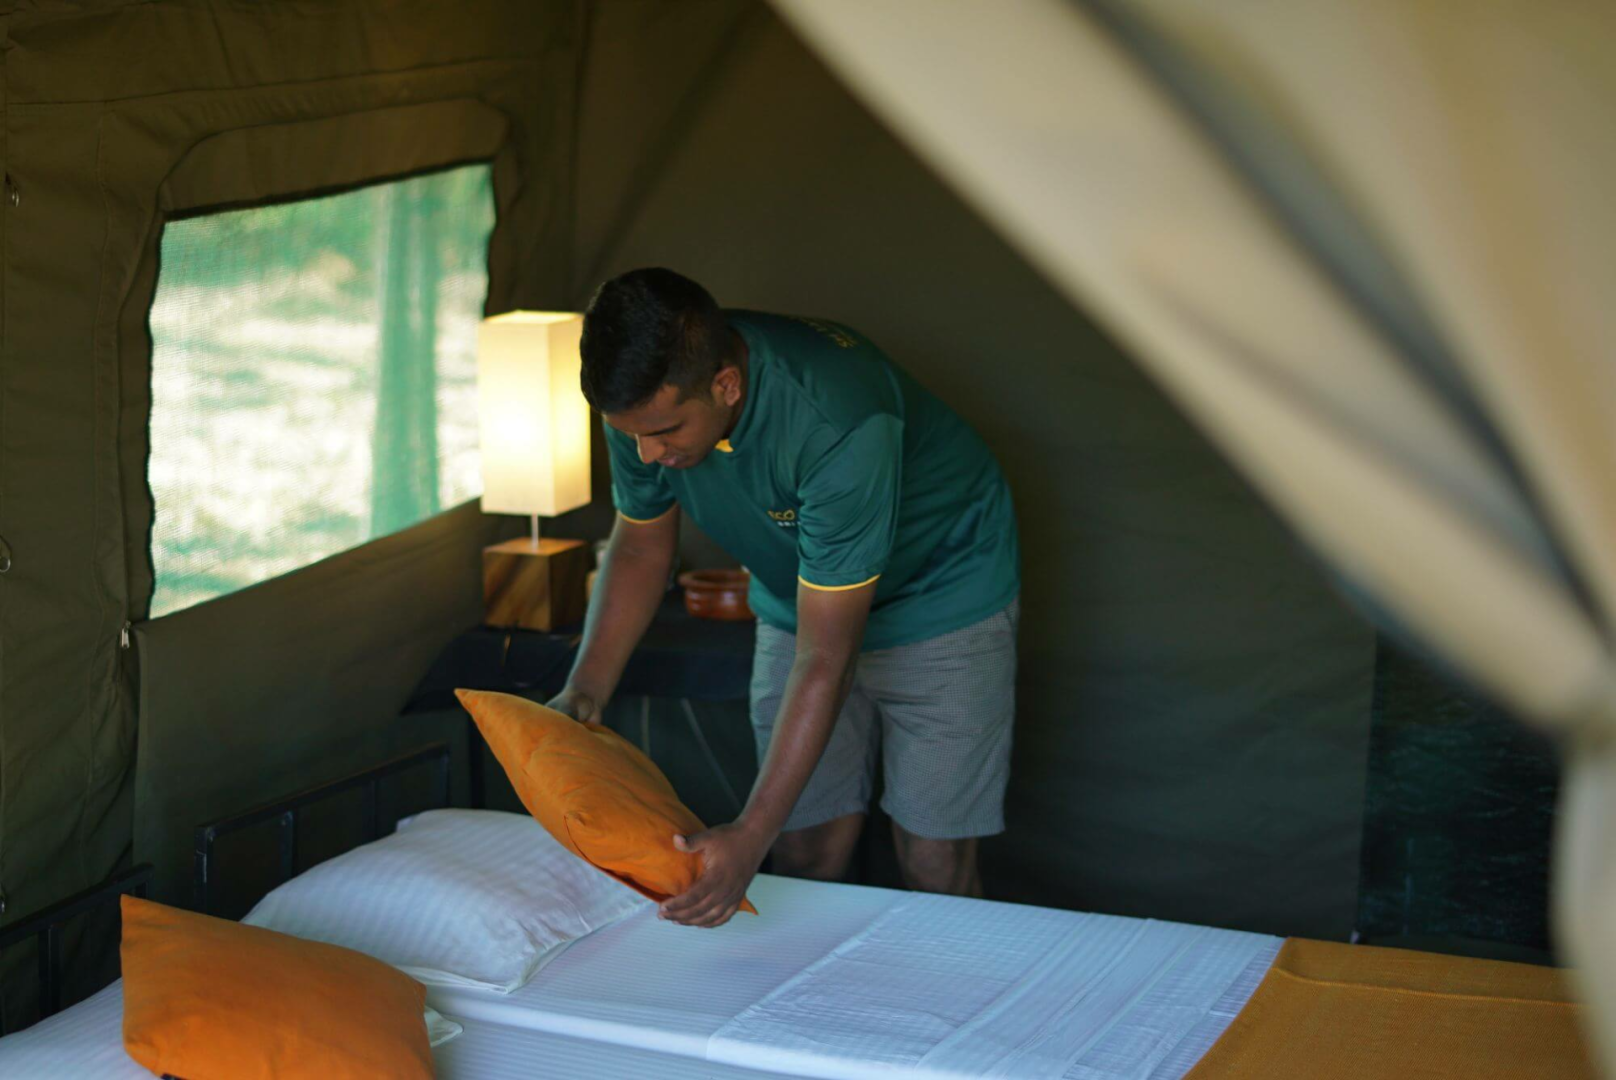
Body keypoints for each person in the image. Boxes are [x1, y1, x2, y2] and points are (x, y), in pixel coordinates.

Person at [547, 267, 1020, 928]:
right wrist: (584, 692)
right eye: (631, 434)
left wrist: (749, 833)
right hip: (801, 595)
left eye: (665, 431)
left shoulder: (837, 421)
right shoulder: (643, 407)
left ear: (727, 385)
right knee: (805, 849)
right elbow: (639, 549)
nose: (646, 453)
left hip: (940, 594)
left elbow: (827, 657)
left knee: (933, 862)